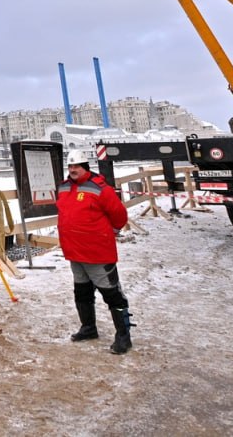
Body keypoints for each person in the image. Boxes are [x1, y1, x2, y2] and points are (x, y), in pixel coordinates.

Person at [56, 150, 132, 355]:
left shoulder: (100, 189)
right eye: (70, 166)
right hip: (75, 251)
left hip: (97, 252)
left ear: (85, 167)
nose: (73, 170)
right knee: (82, 292)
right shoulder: (63, 188)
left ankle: (123, 335)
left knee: (111, 293)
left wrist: (111, 232)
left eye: (77, 166)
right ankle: (88, 328)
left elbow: (119, 215)